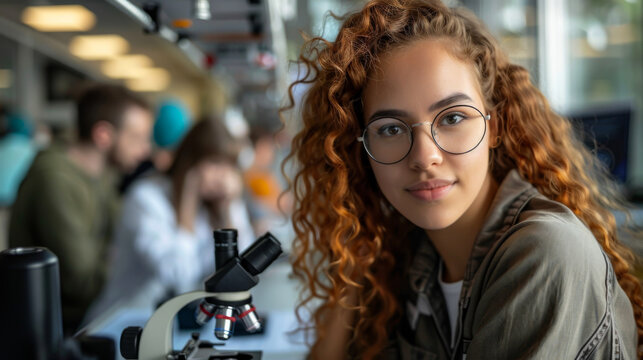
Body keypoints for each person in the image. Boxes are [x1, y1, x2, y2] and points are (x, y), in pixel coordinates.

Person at [282, 0, 643, 359]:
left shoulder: (545, 252)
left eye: (452, 118)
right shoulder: (409, 260)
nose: (425, 158)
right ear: (359, 150)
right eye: (390, 128)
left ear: (494, 128)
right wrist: (351, 275)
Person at [9, 84, 153, 334]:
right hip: (61, 328)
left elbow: (125, 238)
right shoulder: (55, 180)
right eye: (137, 138)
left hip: (91, 316)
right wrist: (126, 258)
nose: (146, 150)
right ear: (103, 135)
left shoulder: (103, 175)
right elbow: (83, 283)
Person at [84, 118, 255, 322]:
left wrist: (229, 207)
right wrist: (186, 207)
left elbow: (244, 271)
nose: (223, 177)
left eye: (229, 166)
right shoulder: (145, 198)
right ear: (190, 161)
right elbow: (179, 278)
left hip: (176, 323)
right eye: (215, 163)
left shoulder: (214, 203)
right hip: (119, 324)